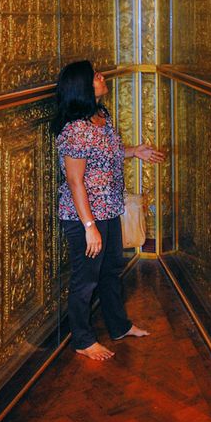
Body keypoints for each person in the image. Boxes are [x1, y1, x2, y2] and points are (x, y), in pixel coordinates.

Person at [51, 60, 164, 361]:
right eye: (95, 76)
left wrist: (134, 152)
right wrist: (89, 228)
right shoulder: (75, 131)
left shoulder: (101, 116)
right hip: (83, 217)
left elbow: (109, 153)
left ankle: (118, 326)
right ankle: (83, 340)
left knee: (111, 269)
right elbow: (75, 182)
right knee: (86, 278)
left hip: (109, 208)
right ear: (83, 88)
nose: (101, 77)